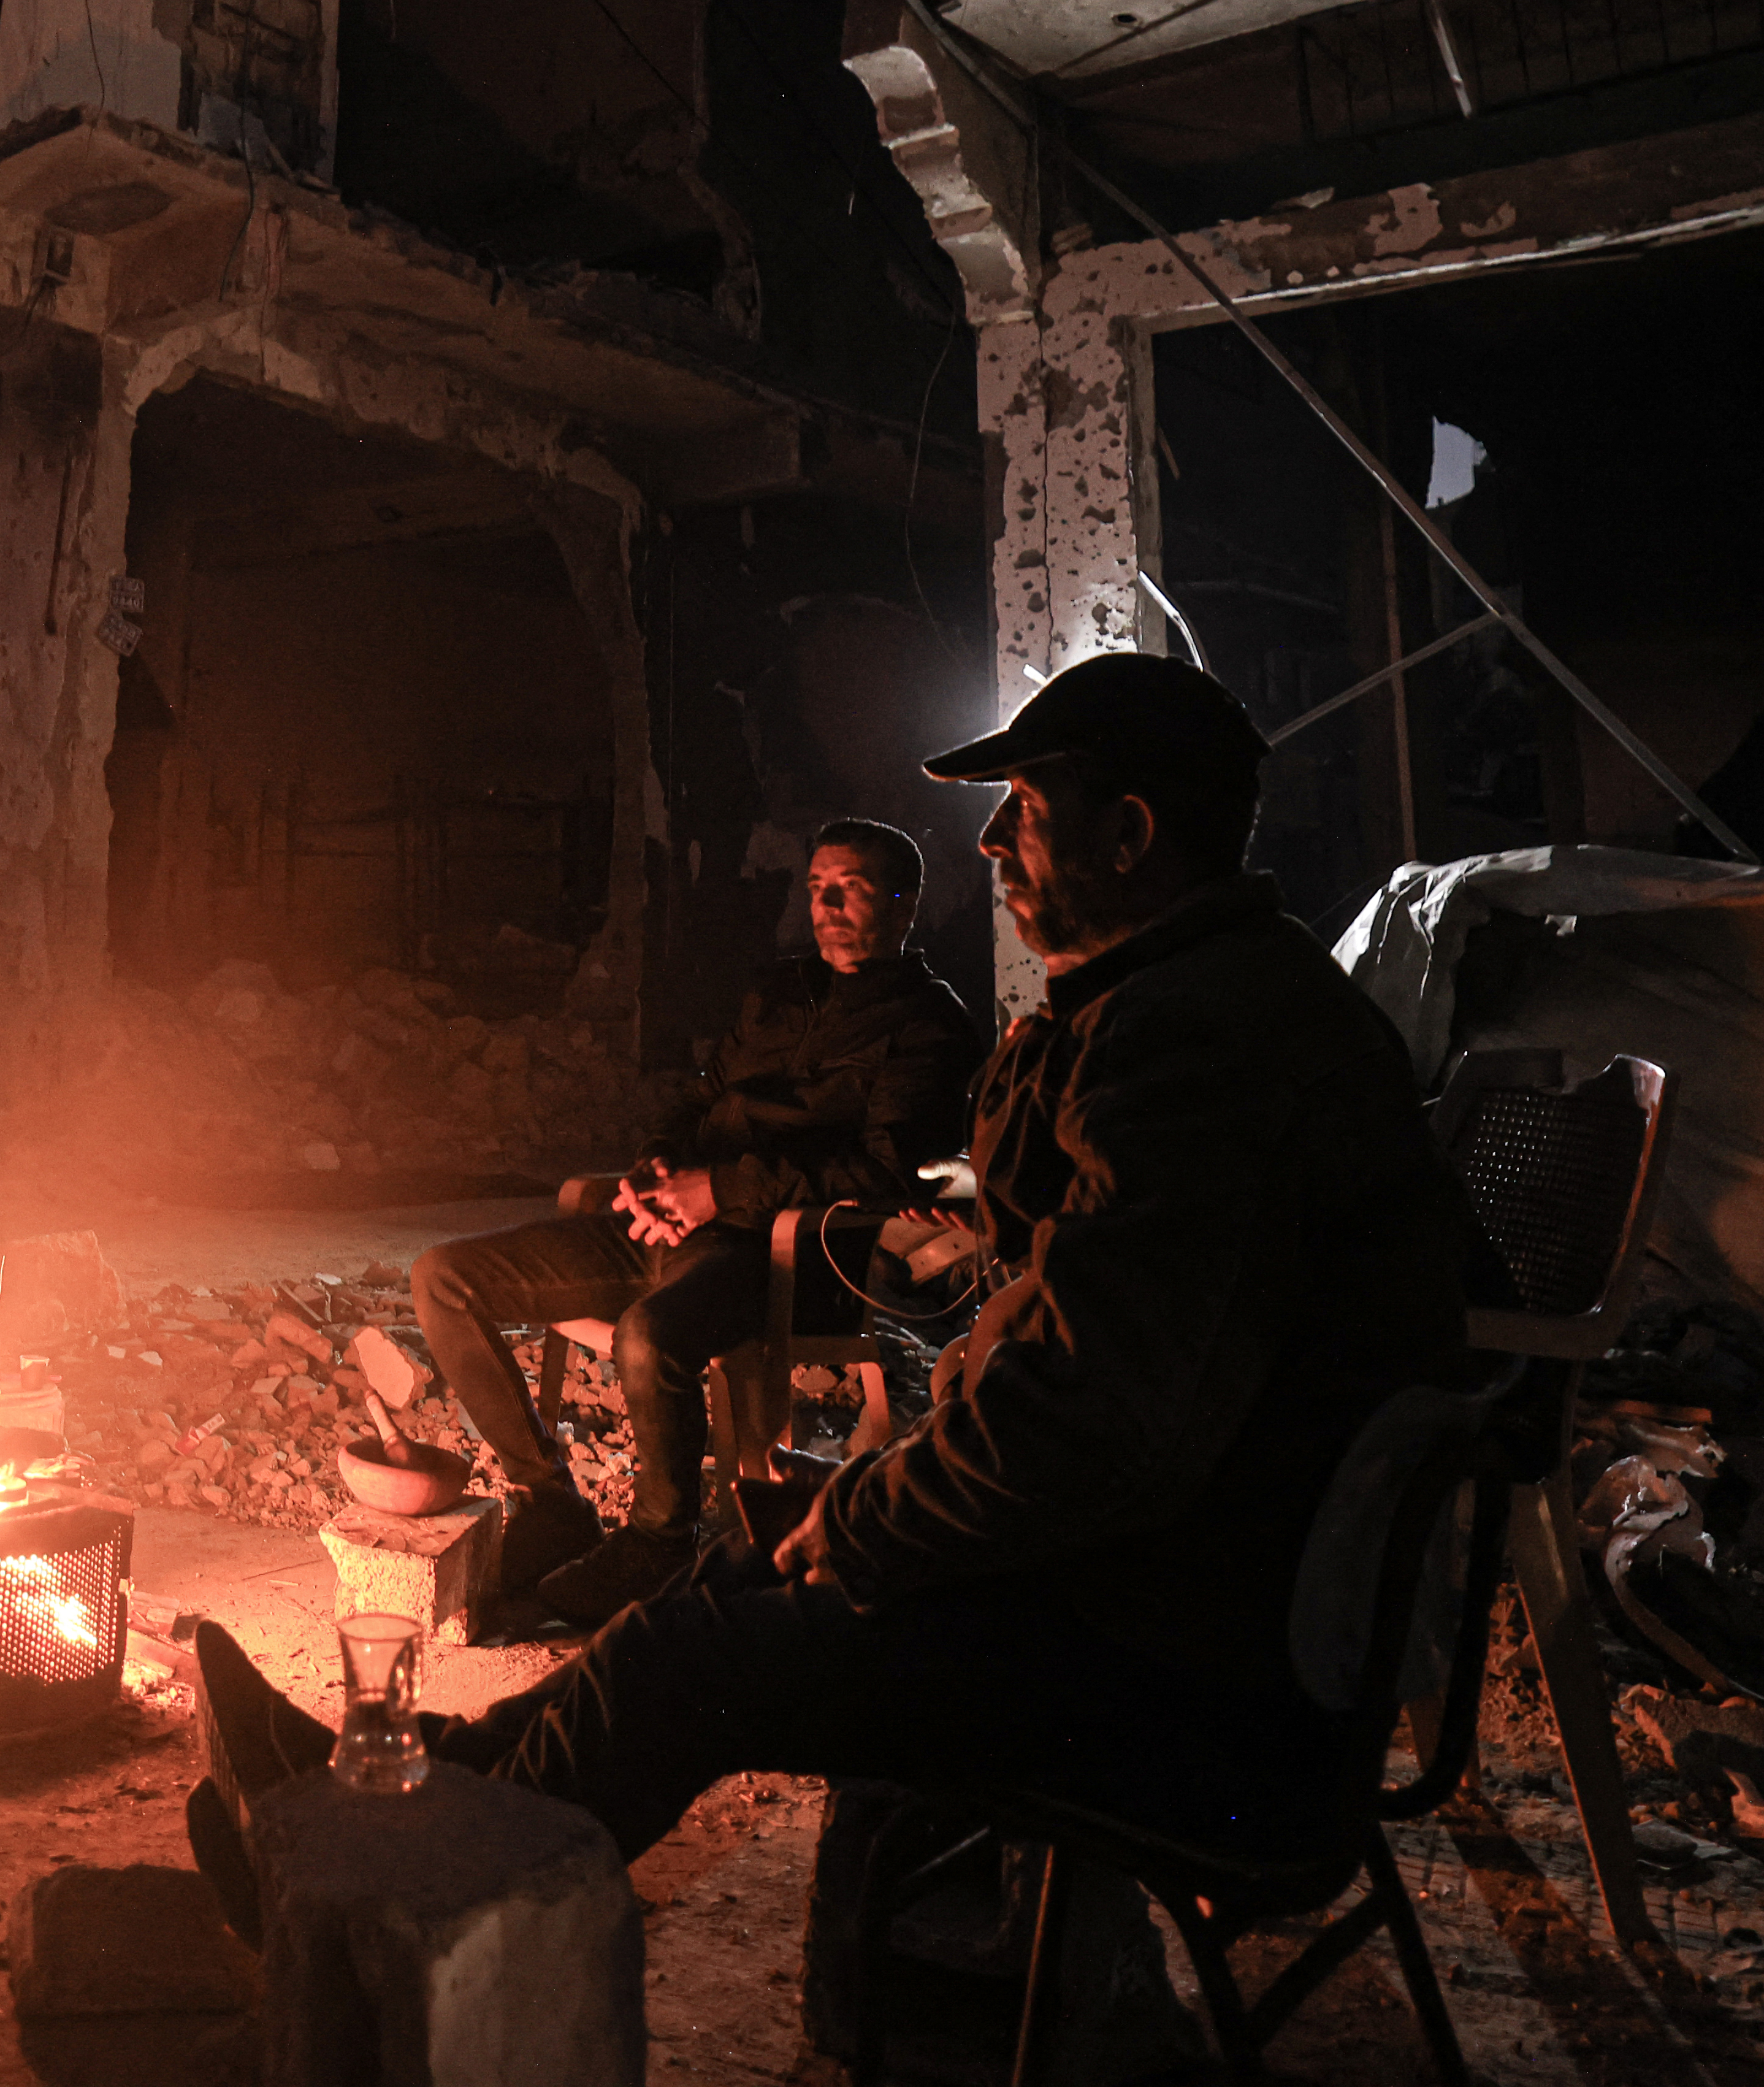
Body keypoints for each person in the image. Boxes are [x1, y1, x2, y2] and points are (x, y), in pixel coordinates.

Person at [190, 653, 1478, 1909]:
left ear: (1130, 834)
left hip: (1184, 1668)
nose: (989, 846)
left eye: (1024, 813)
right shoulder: (1194, 1005)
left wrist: (868, 1521)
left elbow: (1087, 1422)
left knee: (698, 1649)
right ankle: (405, 1782)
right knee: (724, 1581)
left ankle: (386, 1886)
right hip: (1143, 1577)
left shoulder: (1198, 1045)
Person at [410, 818, 982, 1629]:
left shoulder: (929, 1024)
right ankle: (551, 1498)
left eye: (849, 886)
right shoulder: (780, 992)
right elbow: (696, 1095)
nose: (826, 903)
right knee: (444, 1275)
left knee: (649, 1335)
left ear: (904, 900)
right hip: (671, 1220)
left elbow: (877, 1174)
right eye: (817, 885)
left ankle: (658, 1538)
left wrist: (719, 1191)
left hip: (770, 1251)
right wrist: (653, 1165)